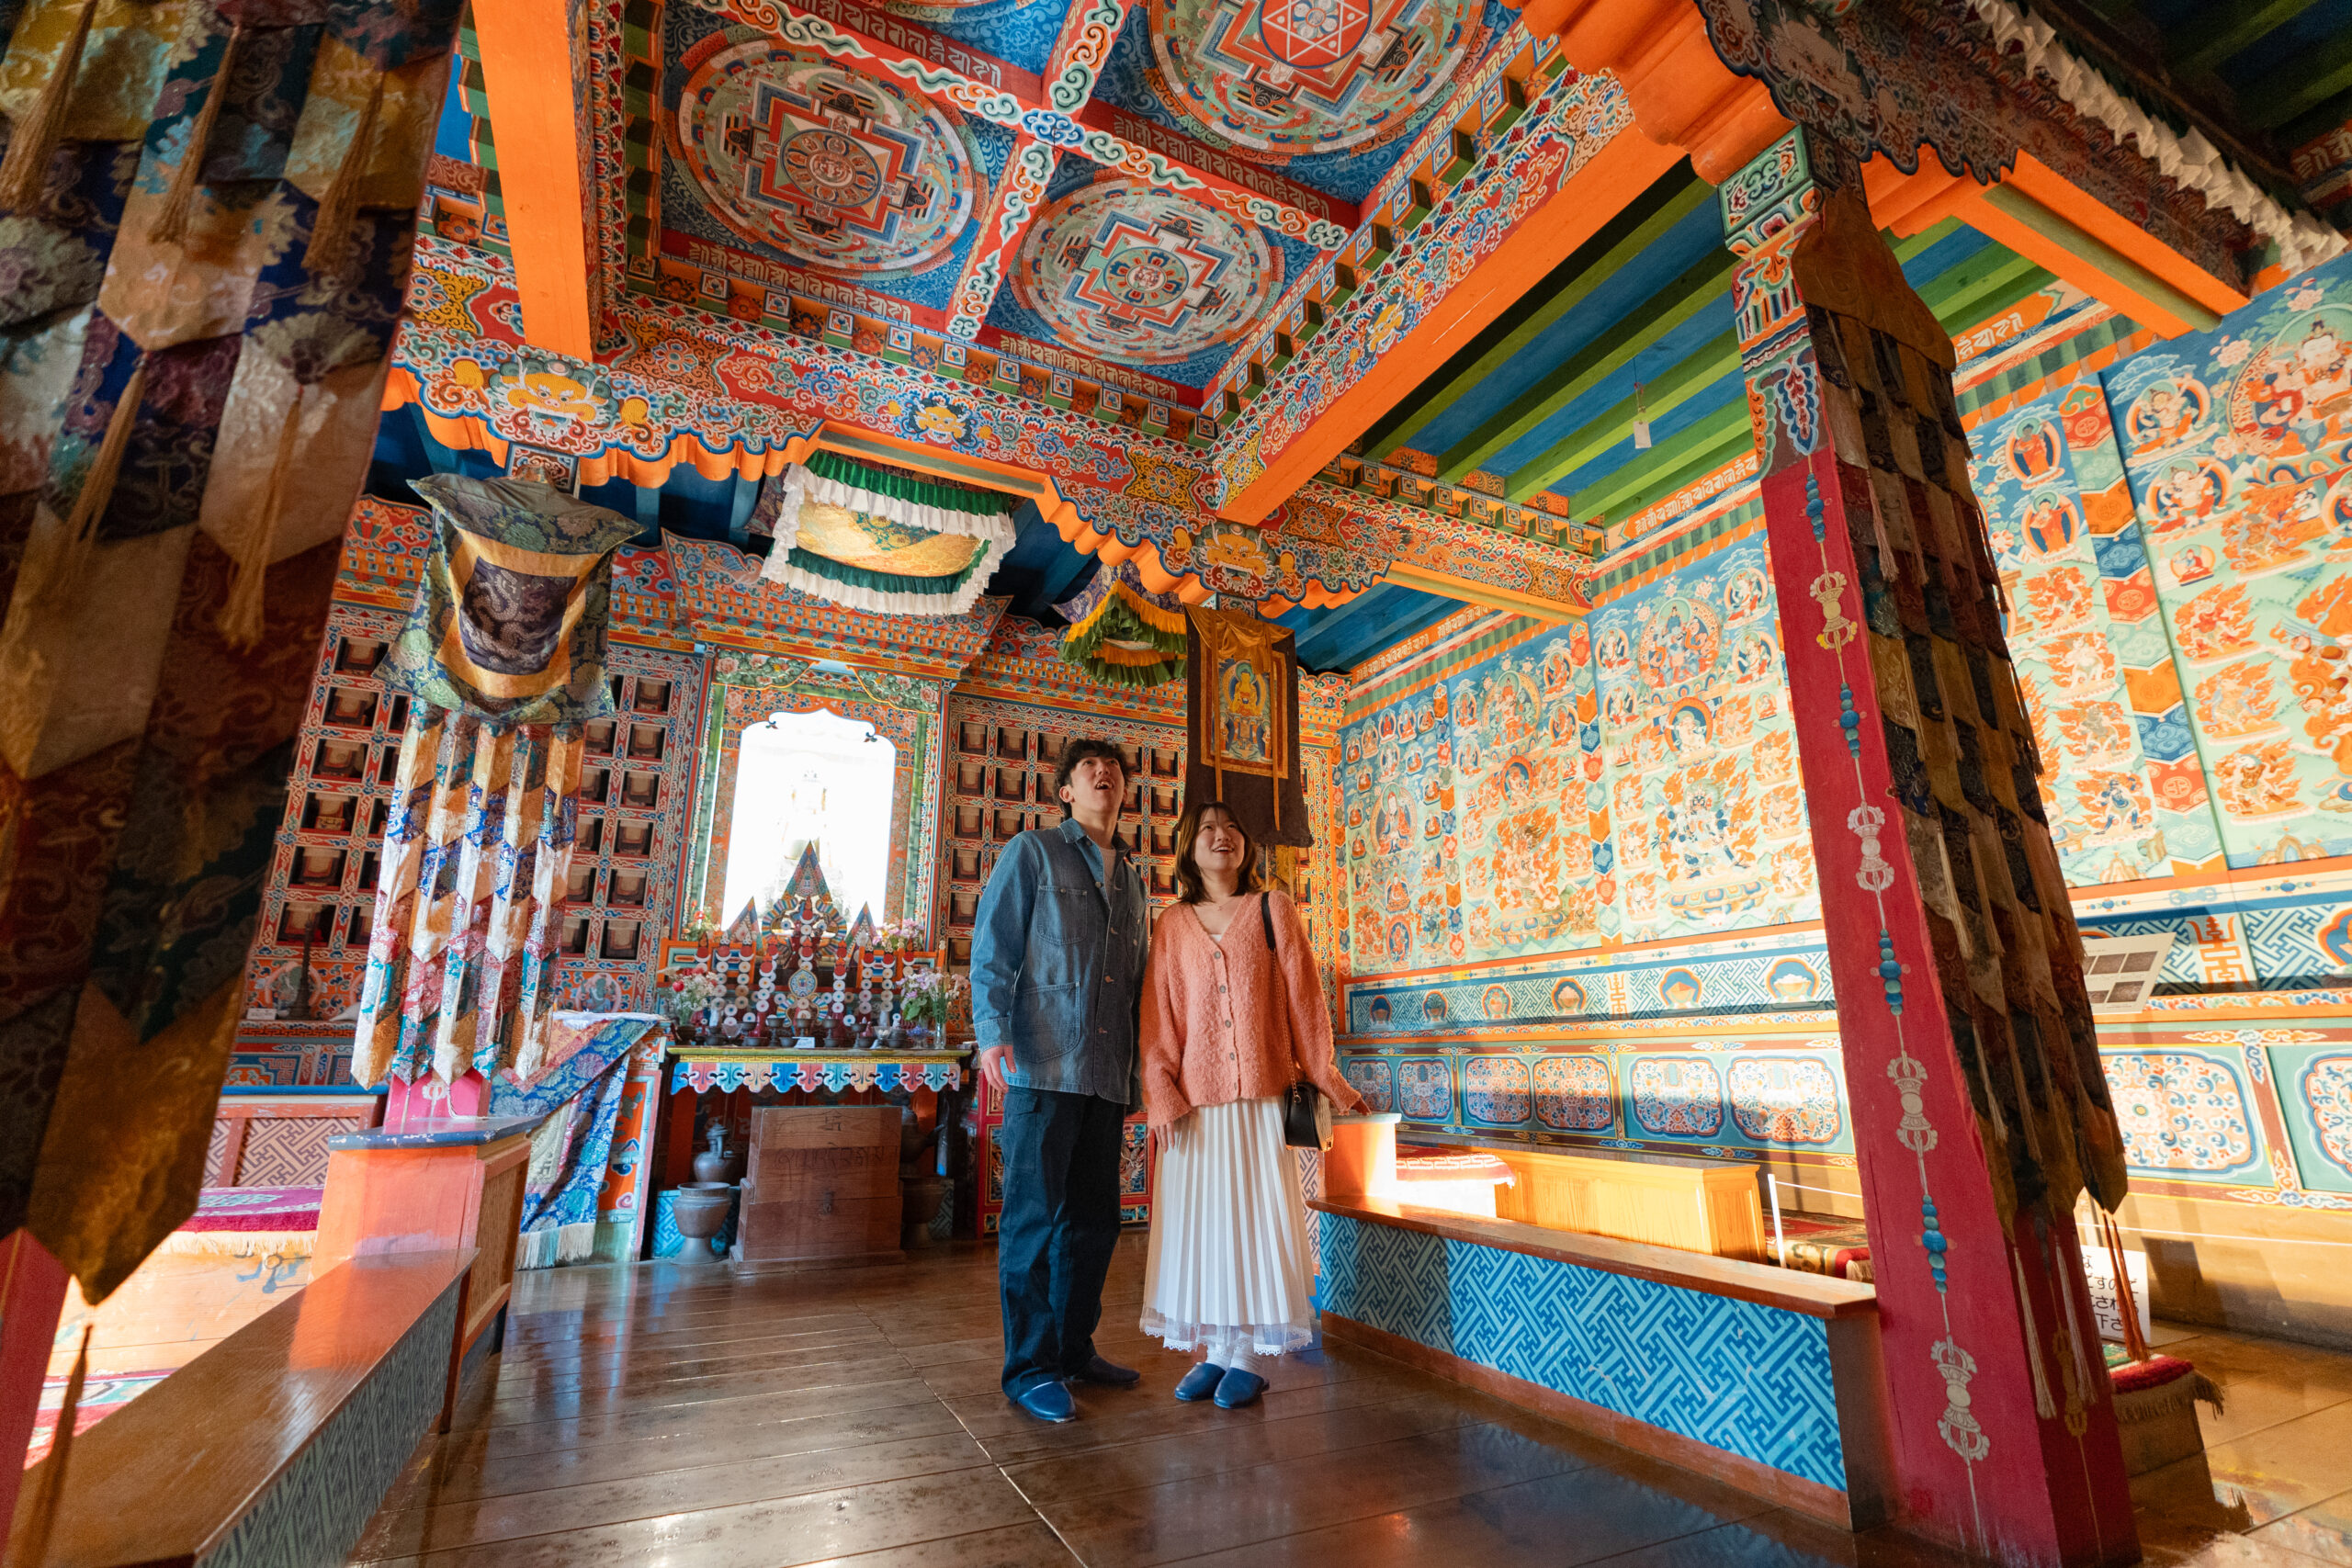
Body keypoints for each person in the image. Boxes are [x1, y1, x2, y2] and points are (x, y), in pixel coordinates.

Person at [1137, 800, 1366, 1410]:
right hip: (1195, 1105)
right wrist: (1161, 1092)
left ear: (1247, 846)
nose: (1223, 836)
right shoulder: (1171, 923)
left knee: (1251, 1221)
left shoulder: (1274, 910)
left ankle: (1243, 1357)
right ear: (1188, 847)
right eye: (1209, 828)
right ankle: (1212, 1349)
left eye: (1233, 827)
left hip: (1261, 1099)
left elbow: (1306, 1004)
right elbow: (1157, 1019)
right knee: (1204, 1227)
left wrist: (1327, 1077)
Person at [970, 737, 1150, 1423]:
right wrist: (992, 1033)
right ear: (1067, 791)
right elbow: (994, 947)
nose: (1104, 773)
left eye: (1113, 768)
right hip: (1044, 1065)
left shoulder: (1133, 878)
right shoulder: (1034, 853)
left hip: (1105, 1074)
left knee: (1095, 1224)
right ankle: (1030, 1367)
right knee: (1033, 1222)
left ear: (1125, 790)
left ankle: (1075, 1349)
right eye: (1088, 768)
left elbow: (1139, 984)